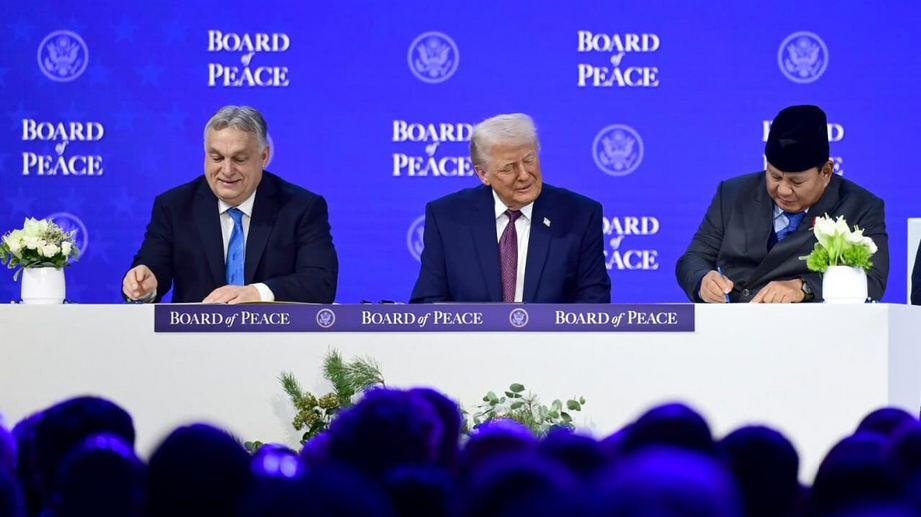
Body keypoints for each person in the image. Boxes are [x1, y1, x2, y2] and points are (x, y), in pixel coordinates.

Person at [122, 105, 337, 304]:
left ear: (263, 156)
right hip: (195, 332)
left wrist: (257, 293)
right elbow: (153, 266)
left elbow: (320, 282)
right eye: (217, 158)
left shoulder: (301, 208)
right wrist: (143, 286)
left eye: (239, 159)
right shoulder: (174, 206)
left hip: (275, 332)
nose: (227, 170)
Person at [676, 105, 888, 303]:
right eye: (775, 176)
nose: (784, 190)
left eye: (797, 182)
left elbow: (873, 280)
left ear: (826, 172)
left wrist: (804, 287)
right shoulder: (732, 193)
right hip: (733, 320)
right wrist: (703, 280)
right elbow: (694, 258)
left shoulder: (860, 207)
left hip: (810, 326)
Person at [410, 113, 611, 303]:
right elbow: (429, 302)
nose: (524, 175)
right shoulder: (446, 217)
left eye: (529, 160)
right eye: (509, 168)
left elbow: (593, 305)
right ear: (483, 174)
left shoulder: (580, 215)